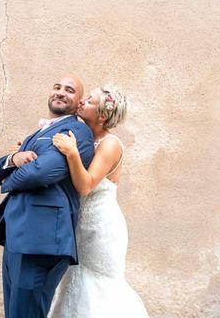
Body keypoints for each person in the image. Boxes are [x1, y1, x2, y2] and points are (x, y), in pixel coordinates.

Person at [0, 75, 95, 318]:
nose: (60, 92)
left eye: (69, 90)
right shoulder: (36, 134)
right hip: (17, 237)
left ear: (78, 102)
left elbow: (40, 173)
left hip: (42, 240)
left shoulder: (77, 131)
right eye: (56, 87)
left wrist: (7, 180)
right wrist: (14, 159)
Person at [48, 84, 149, 318]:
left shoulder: (110, 144)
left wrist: (72, 153)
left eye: (89, 101)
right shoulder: (83, 138)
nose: (81, 101)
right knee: (75, 281)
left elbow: (85, 186)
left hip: (101, 228)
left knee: (97, 283)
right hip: (79, 226)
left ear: (102, 115)